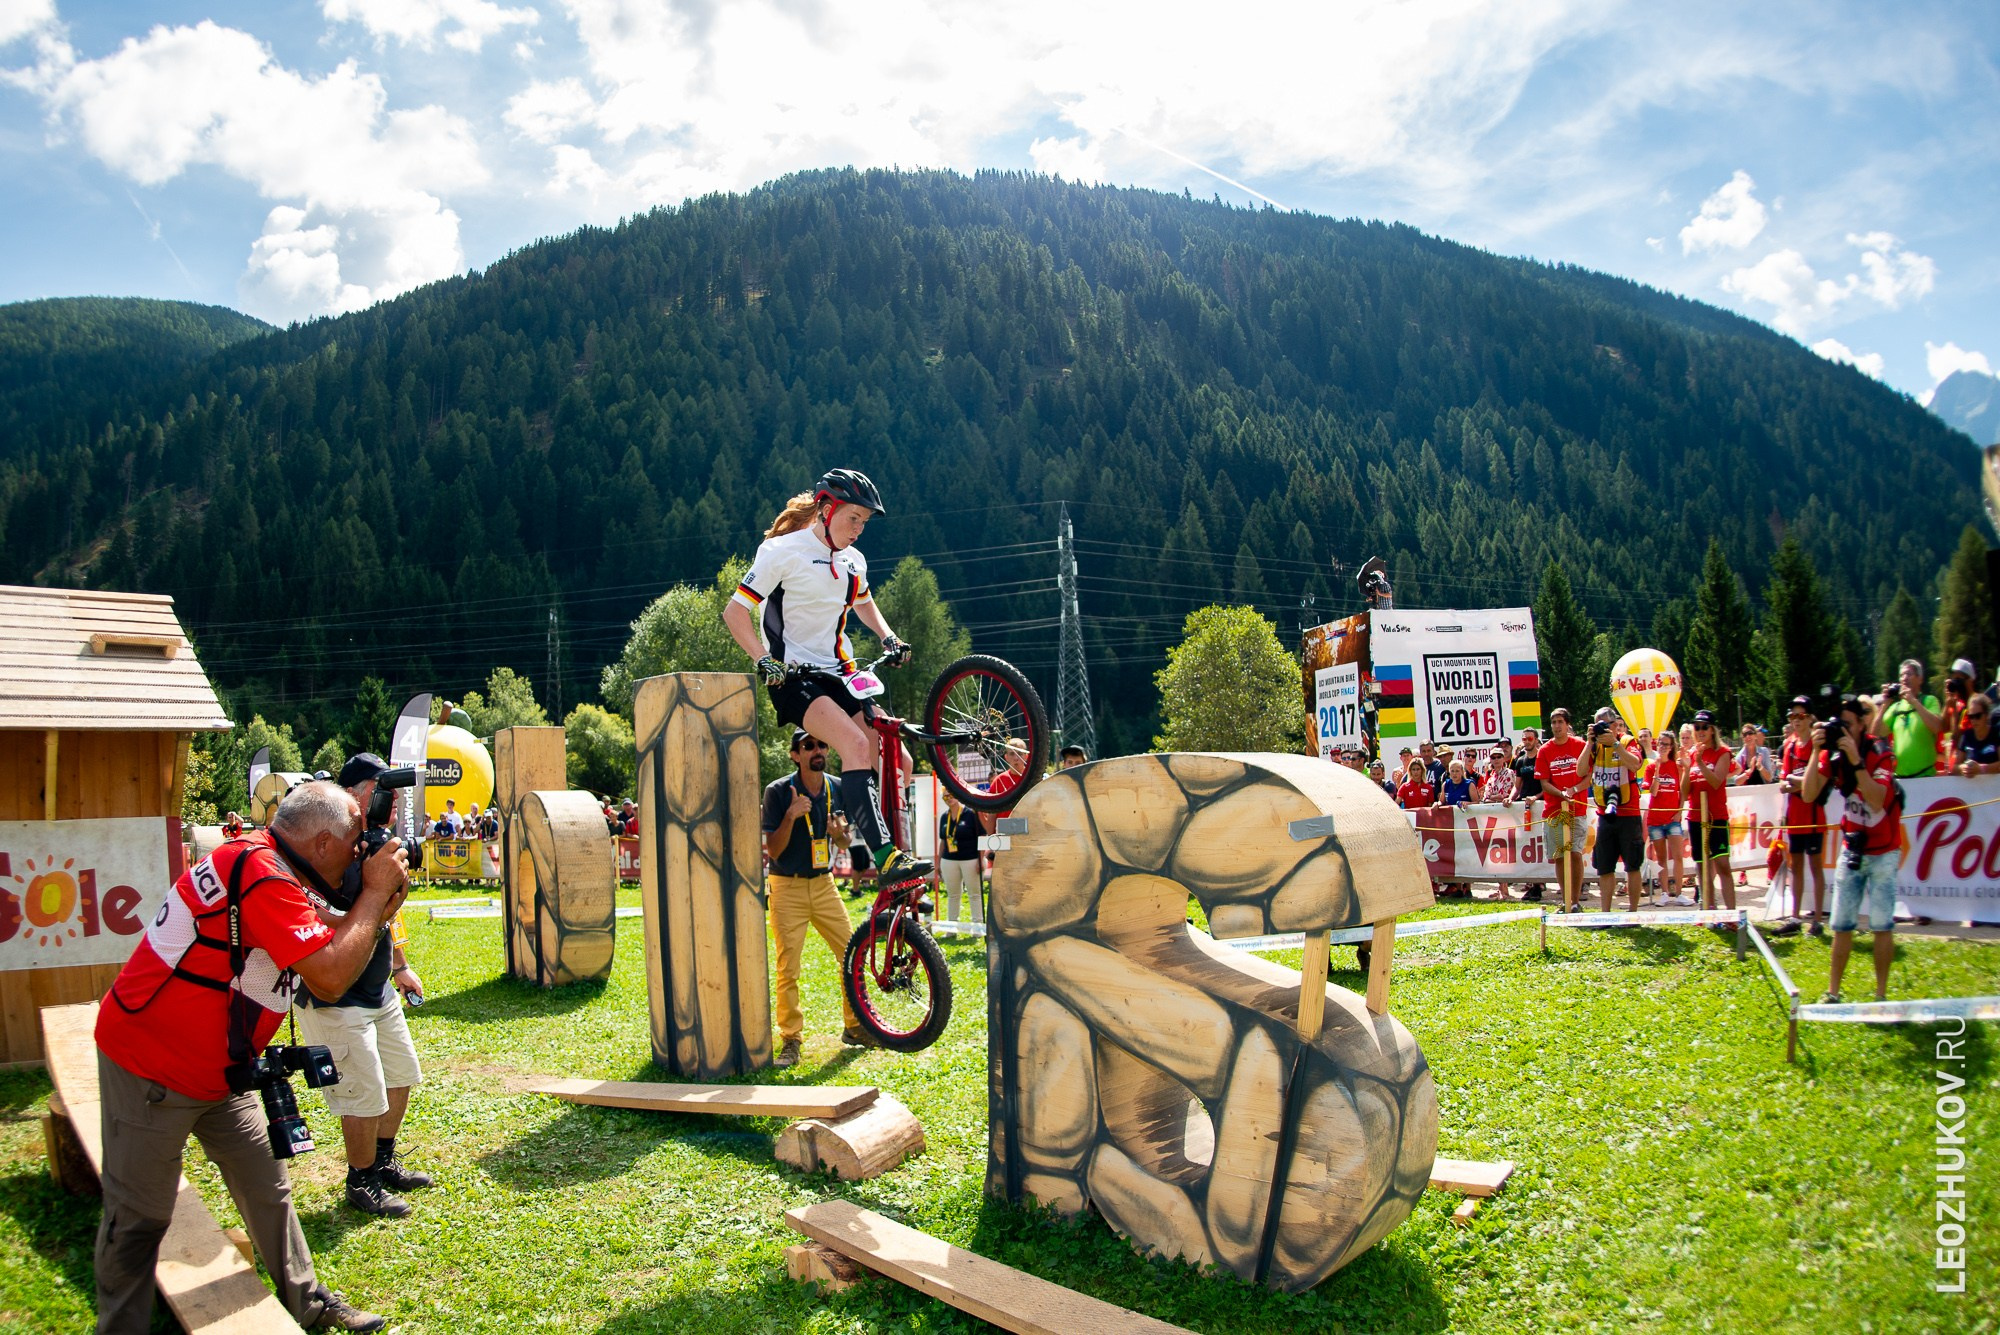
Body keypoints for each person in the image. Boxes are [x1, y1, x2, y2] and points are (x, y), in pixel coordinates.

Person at [93, 780, 409, 1333]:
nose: (362, 852)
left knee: (269, 1189)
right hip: (151, 1067)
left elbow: (330, 934)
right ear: (322, 844)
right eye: (357, 841)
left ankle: (309, 1302)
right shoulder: (262, 875)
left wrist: (375, 906)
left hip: (221, 1067)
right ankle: (120, 1327)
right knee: (139, 1217)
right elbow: (331, 976)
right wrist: (372, 895)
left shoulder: (268, 863)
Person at [724, 469, 929, 888]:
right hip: (794, 675)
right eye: (853, 518)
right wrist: (763, 659)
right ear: (826, 508)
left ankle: (894, 848)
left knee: (898, 761)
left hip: (843, 673)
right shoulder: (781, 551)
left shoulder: (855, 560)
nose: (858, 529)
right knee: (855, 745)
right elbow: (734, 613)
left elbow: (865, 604)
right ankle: (883, 855)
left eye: (864, 522)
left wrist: (889, 636)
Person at [292, 754, 433, 1219]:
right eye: (380, 788)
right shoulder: (323, 848)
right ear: (351, 794)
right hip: (335, 993)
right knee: (363, 1091)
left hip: (377, 989)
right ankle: (362, 1180)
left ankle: (385, 1160)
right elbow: (323, 919)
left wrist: (399, 966)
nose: (390, 800)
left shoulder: (374, 846)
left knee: (400, 1076)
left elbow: (385, 916)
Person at [761, 728, 864, 1068]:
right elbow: (773, 850)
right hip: (786, 886)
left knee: (852, 953)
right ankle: (791, 1040)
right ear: (795, 755)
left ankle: (855, 1027)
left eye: (821, 744)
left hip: (823, 884)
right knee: (788, 969)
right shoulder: (778, 791)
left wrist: (841, 836)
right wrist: (791, 815)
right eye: (808, 746)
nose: (816, 750)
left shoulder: (836, 787)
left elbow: (845, 842)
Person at [1802, 696, 1903, 1003]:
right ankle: (1833, 992)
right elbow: (1808, 794)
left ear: (1861, 724)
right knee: (1842, 924)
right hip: (1853, 849)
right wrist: (1817, 749)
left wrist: (1856, 762)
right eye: (1838, 725)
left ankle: (1881, 996)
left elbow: (1876, 799)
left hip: (1884, 850)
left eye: (1848, 725)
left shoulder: (1879, 751)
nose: (1842, 731)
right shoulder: (1832, 755)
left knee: (1881, 925)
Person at [1772, 698, 1829, 937]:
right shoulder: (1790, 746)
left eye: (1800, 716)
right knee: (1796, 868)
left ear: (1810, 718)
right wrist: (1802, 782)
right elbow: (1785, 782)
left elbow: (1815, 783)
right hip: (1795, 815)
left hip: (1814, 815)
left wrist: (1799, 783)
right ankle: (1795, 917)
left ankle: (1817, 919)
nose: (1796, 721)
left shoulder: (1821, 747)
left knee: (1816, 867)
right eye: (1792, 717)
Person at [1587, 707, 1646, 912]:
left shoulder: (1628, 742)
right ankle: (1605, 913)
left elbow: (1635, 764)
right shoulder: (1594, 747)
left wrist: (1615, 744)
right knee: (1604, 867)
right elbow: (1579, 771)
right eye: (1597, 725)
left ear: (1614, 725)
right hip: (1605, 814)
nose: (1601, 729)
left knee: (1632, 865)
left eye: (1605, 725)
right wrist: (1589, 743)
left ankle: (1633, 912)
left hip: (1628, 812)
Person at [1534, 709, 1588, 912]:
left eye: (1560, 722)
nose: (1556, 726)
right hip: (1554, 811)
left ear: (1567, 725)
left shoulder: (1580, 746)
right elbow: (1544, 783)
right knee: (1559, 856)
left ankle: (1575, 901)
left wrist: (1574, 790)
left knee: (1574, 854)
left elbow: (1588, 776)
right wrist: (1561, 793)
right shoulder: (1545, 750)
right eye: (1553, 722)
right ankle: (1565, 900)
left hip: (1578, 809)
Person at [1686, 710, 1736, 911]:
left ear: (1713, 730)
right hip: (1696, 815)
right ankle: (1709, 908)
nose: (1700, 731)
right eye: (1696, 727)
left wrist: (1699, 763)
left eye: (1704, 727)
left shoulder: (1722, 752)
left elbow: (1716, 782)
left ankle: (1731, 913)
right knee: (1702, 865)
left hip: (1716, 815)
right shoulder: (1692, 753)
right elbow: (1686, 790)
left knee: (1722, 863)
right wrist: (1685, 767)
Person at [1645, 731, 1691, 906]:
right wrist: (1657, 768)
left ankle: (1679, 893)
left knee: (1678, 856)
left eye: (1666, 744)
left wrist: (1680, 811)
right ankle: (1664, 892)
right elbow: (1654, 791)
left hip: (1673, 818)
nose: (1663, 747)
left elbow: (1683, 791)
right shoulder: (1650, 767)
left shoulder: (1676, 767)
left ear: (1672, 747)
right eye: (1661, 744)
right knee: (1661, 857)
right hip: (1655, 819)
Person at [1880, 658, 1943, 779]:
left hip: (1925, 776)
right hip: (1901, 778)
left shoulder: (1929, 701)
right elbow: (1875, 733)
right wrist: (1884, 705)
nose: (1904, 678)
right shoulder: (1896, 707)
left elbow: (1936, 727)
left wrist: (1913, 701)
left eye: (1908, 674)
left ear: (1920, 679)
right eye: (1901, 675)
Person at [936, 790, 984, 923]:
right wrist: (938, 862)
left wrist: (981, 860)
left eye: (951, 795)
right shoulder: (944, 816)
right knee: (953, 895)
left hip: (970, 859)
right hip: (949, 860)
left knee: (975, 894)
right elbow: (943, 841)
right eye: (946, 796)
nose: (949, 798)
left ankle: (978, 925)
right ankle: (952, 925)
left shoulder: (970, 814)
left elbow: (981, 836)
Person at [1941, 659, 1977, 770]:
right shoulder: (1958, 703)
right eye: (1954, 679)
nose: (1956, 683)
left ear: (1970, 681)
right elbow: (1943, 727)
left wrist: (1955, 712)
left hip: (1969, 764)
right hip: (1956, 763)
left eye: (1959, 680)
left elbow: (1957, 738)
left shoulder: (1976, 705)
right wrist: (1947, 704)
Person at [1955, 692, 2000, 775]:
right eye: (1971, 716)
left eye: (1978, 716)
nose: (1974, 720)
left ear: (1987, 715)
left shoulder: (1996, 733)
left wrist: (1981, 768)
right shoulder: (1966, 736)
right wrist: (1962, 768)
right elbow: (1955, 767)